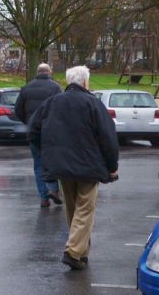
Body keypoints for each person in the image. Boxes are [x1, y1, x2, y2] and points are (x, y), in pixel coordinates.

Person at [28, 65, 119, 270]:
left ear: (68, 81)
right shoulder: (93, 104)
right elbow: (108, 138)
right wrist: (112, 166)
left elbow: (32, 131)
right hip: (89, 166)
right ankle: (73, 251)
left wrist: (47, 152)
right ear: (85, 82)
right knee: (85, 209)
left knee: (72, 209)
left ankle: (81, 253)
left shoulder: (51, 103)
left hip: (61, 166)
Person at [14, 63, 62, 208]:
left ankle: (43, 197)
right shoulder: (55, 88)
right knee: (53, 162)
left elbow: (18, 110)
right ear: (49, 72)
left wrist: (29, 123)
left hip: (34, 132)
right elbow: (61, 108)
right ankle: (53, 189)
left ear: (37, 72)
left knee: (39, 164)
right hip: (51, 132)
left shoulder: (26, 88)